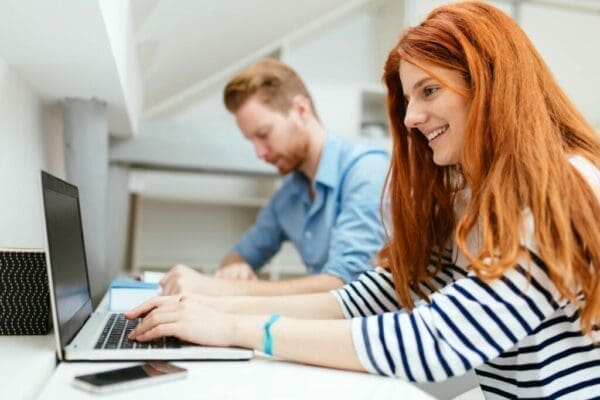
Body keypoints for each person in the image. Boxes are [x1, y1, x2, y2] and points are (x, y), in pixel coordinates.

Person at [127, 2, 600, 398]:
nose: (412, 117)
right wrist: (213, 312)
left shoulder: (564, 184)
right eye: (408, 98)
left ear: (491, 83)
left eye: (429, 90)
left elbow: (435, 341)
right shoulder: (468, 196)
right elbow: (370, 296)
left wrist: (234, 329)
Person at [159, 59, 389, 296]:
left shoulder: (367, 170)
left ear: (301, 110)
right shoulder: (288, 195)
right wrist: (235, 268)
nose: (259, 153)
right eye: (252, 141)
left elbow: (345, 286)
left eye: (264, 134)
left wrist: (224, 288)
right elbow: (239, 254)